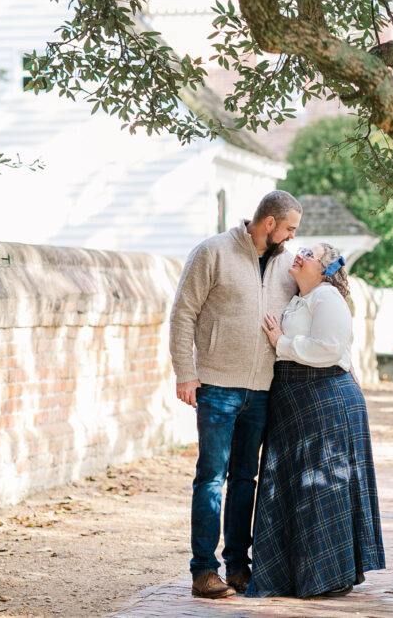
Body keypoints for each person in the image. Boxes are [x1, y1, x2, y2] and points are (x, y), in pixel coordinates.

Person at [169, 190, 302, 599]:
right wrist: (185, 373)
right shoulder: (213, 251)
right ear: (269, 224)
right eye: (290, 229)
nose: (293, 237)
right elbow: (183, 312)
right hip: (216, 384)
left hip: (262, 390)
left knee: (246, 479)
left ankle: (239, 568)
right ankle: (203, 571)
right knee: (210, 477)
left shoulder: (286, 267)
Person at [246, 242, 385, 598]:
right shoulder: (299, 298)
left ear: (325, 269)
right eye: (302, 248)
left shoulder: (328, 298)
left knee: (322, 487)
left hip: (325, 401)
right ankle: (297, 574)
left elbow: (328, 348)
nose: (301, 254)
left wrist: (282, 342)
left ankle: (326, 576)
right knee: (299, 487)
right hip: (298, 402)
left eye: (310, 254)